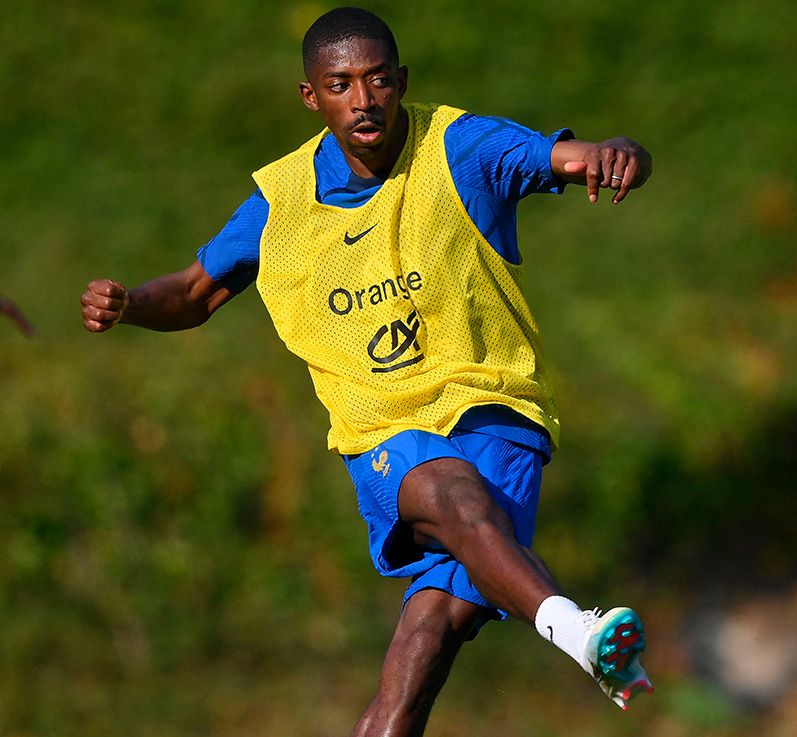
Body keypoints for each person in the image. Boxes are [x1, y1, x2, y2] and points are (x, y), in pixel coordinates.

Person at [79, 7, 653, 734]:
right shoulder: (280, 203)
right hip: (385, 430)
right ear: (311, 97)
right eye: (341, 84)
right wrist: (131, 303)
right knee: (449, 488)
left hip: (500, 416)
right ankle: (580, 633)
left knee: (424, 647)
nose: (364, 99)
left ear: (401, 82)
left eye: (379, 80)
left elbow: (574, 157)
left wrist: (623, 154)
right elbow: (194, 292)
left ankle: (565, 634)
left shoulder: (461, 146)